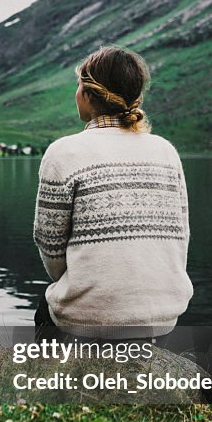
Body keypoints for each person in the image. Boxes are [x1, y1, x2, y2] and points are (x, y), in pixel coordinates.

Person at [32, 45, 192, 340]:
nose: (76, 93)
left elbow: (50, 246)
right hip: (163, 317)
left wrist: (81, 283)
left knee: (44, 309)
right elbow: (180, 237)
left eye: (79, 85)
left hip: (88, 319)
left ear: (89, 95)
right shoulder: (166, 151)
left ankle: (48, 381)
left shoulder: (64, 152)